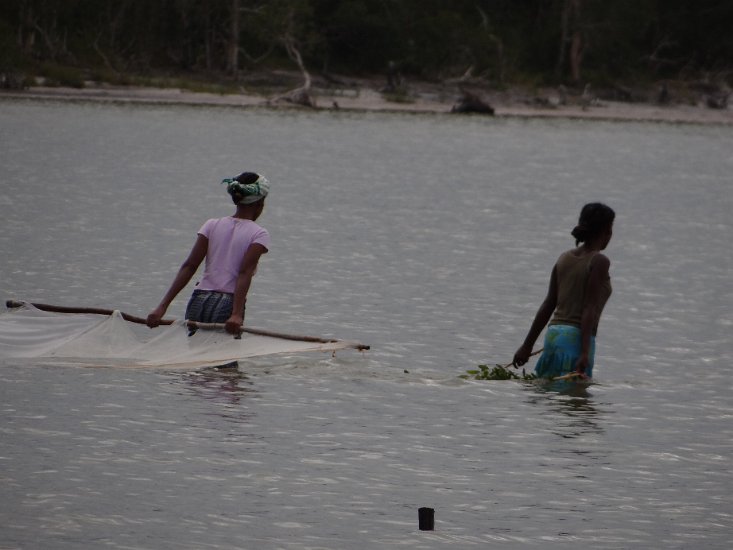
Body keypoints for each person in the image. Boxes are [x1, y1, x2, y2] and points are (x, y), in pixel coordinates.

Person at [146, 172, 270, 335]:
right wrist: (236, 314)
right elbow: (244, 272)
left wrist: (161, 307)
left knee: (196, 355)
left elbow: (190, 266)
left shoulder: (212, 225)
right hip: (227, 303)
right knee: (225, 357)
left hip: (199, 300)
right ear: (260, 203)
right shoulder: (259, 234)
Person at [513, 203, 615, 379]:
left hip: (554, 335)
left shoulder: (563, 258)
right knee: (576, 401)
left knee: (552, 397)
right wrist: (584, 352)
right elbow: (589, 308)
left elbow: (548, 304)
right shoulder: (599, 261)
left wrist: (527, 346)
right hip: (575, 340)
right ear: (606, 230)